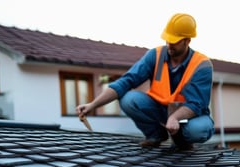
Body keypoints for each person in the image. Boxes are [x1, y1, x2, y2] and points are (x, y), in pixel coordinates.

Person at [76, 13, 214, 150]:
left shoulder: (202, 65)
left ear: (187, 41)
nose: (169, 44)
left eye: (175, 41)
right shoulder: (156, 55)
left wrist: (175, 118)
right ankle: (156, 135)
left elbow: (196, 104)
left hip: (188, 116)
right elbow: (126, 81)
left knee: (198, 130)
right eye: (168, 39)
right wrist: (93, 105)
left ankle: (181, 141)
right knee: (128, 98)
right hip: (161, 109)